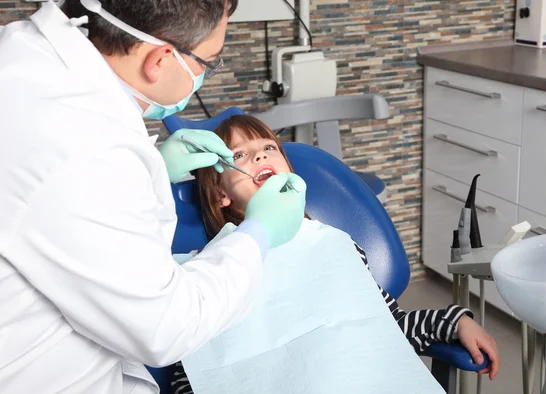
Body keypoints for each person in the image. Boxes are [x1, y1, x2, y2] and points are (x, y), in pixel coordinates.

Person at [0, 1, 306, 393]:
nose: (259, 157)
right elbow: (167, 328)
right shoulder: (83, 152)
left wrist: (154, 171)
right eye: (207, 63)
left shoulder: (22, 54)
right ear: (160, 60)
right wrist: (258, 233)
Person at [170, 115, 501, 393]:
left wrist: (453, 321)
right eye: (240, 155)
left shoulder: (335, 247)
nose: (260, 156)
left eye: (270, 148)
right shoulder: (211, 271)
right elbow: (199, 370)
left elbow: (387, 325)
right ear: (219, 196)